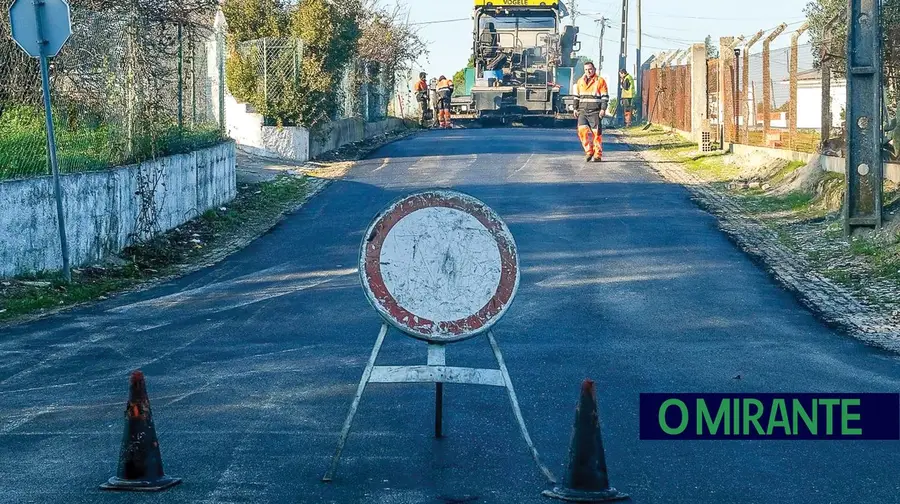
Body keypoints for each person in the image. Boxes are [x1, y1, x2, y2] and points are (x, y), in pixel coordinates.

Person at [572, 61, 609, 162]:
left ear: (594, 69)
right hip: (582, 111)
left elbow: (605, 97)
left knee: (597, 134)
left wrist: (603, 109)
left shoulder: (600, 81)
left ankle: (597, 154)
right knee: (582, 131)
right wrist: (575, 108)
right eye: (586, 70)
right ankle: (589, 151)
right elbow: (576, 97)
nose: (588, 71)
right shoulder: (580, 82)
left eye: (590, 69)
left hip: (595, 112)